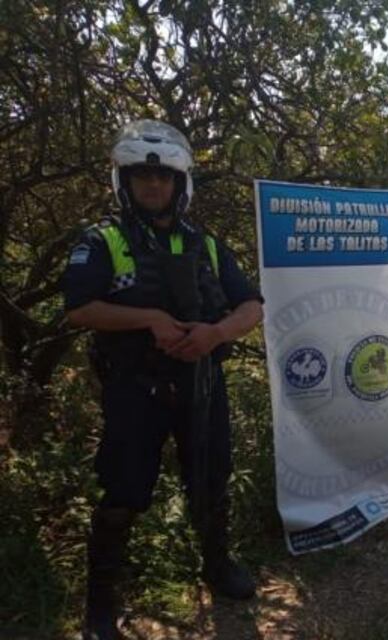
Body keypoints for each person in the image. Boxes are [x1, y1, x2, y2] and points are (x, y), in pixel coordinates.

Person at [61, 120, 264, 640]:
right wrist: (148, 319)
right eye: (141, 179)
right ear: (124, 182)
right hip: (136, 390)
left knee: (211, 481)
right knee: (123, 494)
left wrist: (215, 334)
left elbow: (251, 306)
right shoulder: (102, 239)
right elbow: (79, 309)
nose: (153, 187)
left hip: (201, 384)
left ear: (180, 184)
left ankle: (216, 567)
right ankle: (100, 604)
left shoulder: (208, 245)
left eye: (163, 179)